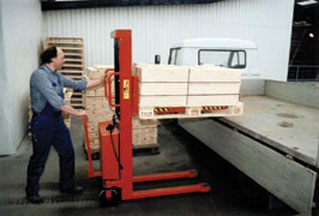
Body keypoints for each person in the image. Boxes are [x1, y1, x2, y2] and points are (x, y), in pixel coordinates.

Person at [26, 46, 105, 204]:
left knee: (67, 152)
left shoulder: (57, 75)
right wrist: (77, 112)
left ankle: (67, 185)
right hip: (43, 122)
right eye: (62, 56)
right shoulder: (39, 76)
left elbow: (78, 84)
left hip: (56, 121)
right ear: (52, 59)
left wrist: (103, 80)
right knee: (39, 159)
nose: (64, 59)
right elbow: (55, 100)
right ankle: (32, 191)